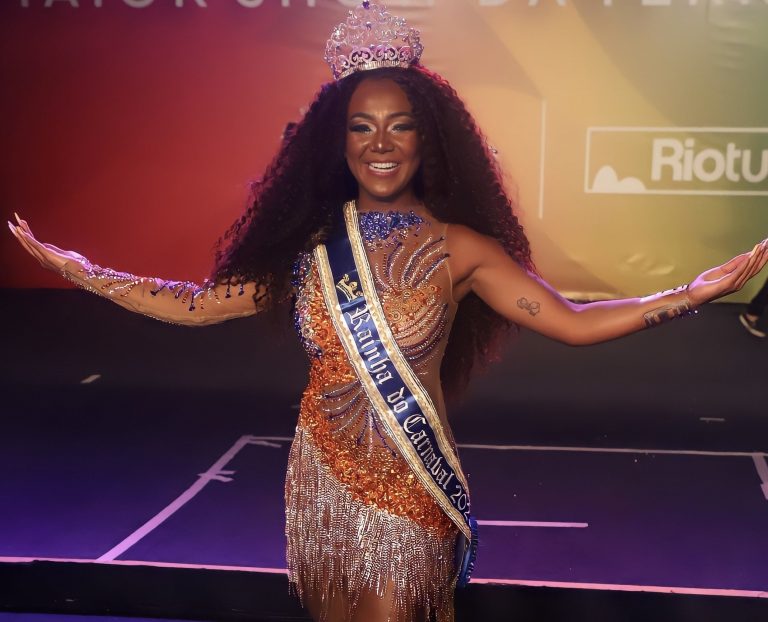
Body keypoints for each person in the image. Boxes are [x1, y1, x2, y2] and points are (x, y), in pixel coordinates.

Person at [8, 3, 768, 621]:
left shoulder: (460, 248)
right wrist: (90, 274)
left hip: (413, 486)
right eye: (361, 127)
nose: (380, 144)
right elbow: (202, 307)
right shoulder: (310, 248)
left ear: (426, 137)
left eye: (398, 124)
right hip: (320, 481)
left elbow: (570, 322)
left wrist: (689, 295)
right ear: (334, 144)